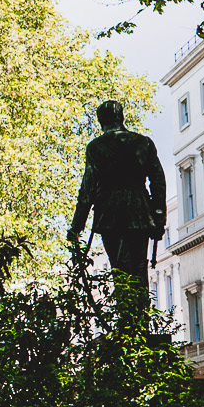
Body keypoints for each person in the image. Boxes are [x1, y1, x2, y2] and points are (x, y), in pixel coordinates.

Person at [70, 99, 167, 280]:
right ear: (122, 117)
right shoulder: (143, 142)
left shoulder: (95, 147)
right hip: (139, 213)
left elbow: (88, 189)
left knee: (119, 271)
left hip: (110, 215)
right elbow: (158, 181)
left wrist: (76, 227)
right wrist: (159, 215)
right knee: (139, 268)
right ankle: (138, 305)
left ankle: (127, 305)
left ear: (101, 121)